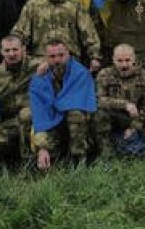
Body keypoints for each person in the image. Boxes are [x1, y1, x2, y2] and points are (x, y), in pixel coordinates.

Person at [12, 0, 102, 70]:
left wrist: (95, 57)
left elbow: (88, 32)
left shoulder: (76, 4)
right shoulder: (32, 5)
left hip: (70, 60)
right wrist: (16, 54)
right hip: (40, 61)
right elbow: (20, 33)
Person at [30, 38, 98, 170]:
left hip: (76, 124)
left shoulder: (80, 73)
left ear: (69, 54)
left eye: (61, 55)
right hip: (51, 120)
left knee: (75, 113)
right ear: (45, 58)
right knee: (28, 116)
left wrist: (58, 104)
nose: (57, 60)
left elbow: (82, 103)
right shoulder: (40, 76)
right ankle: (34, 161)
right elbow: (40, 111)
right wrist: (42, 147)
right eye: (52, 56)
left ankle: (79, 160)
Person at [95, 43, 145, 156]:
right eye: (119, 61)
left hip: (136, 119)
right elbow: (98, 100)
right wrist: (124, 105)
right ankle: (106, 152)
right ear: (113, 60)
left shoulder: (144, 76)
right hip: (113, 118)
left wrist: (134, 127)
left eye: (127, 60)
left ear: (134, 59)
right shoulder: (104, 75)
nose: (124, 65)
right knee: (99, 113)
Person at [0, 34, 37, 162]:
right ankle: (10, 162)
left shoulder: (37, 66)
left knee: (26, 114)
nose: (11, 54)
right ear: (1, 52)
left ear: (23, 49)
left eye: (15, 49)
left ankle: (29, 161)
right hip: (11, 120)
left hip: (35, 119)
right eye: (7, 50)